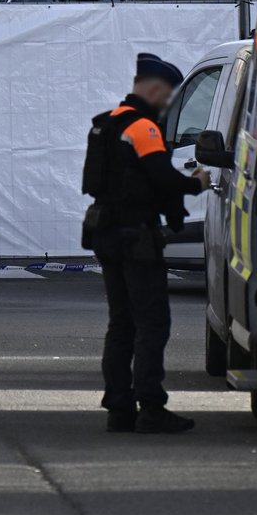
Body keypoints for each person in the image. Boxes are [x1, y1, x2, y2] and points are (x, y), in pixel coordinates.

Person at [86, 52, 207, 435]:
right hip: (136, 237)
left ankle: (119, 408)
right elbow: (162, 178)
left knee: (120, 323)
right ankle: (152, 407)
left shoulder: (106, 125)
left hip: (106, 232)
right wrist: (196, 183)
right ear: (154, 88)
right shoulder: (142, 128)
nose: (167, 103)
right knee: (152, 322)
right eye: (167, 96)